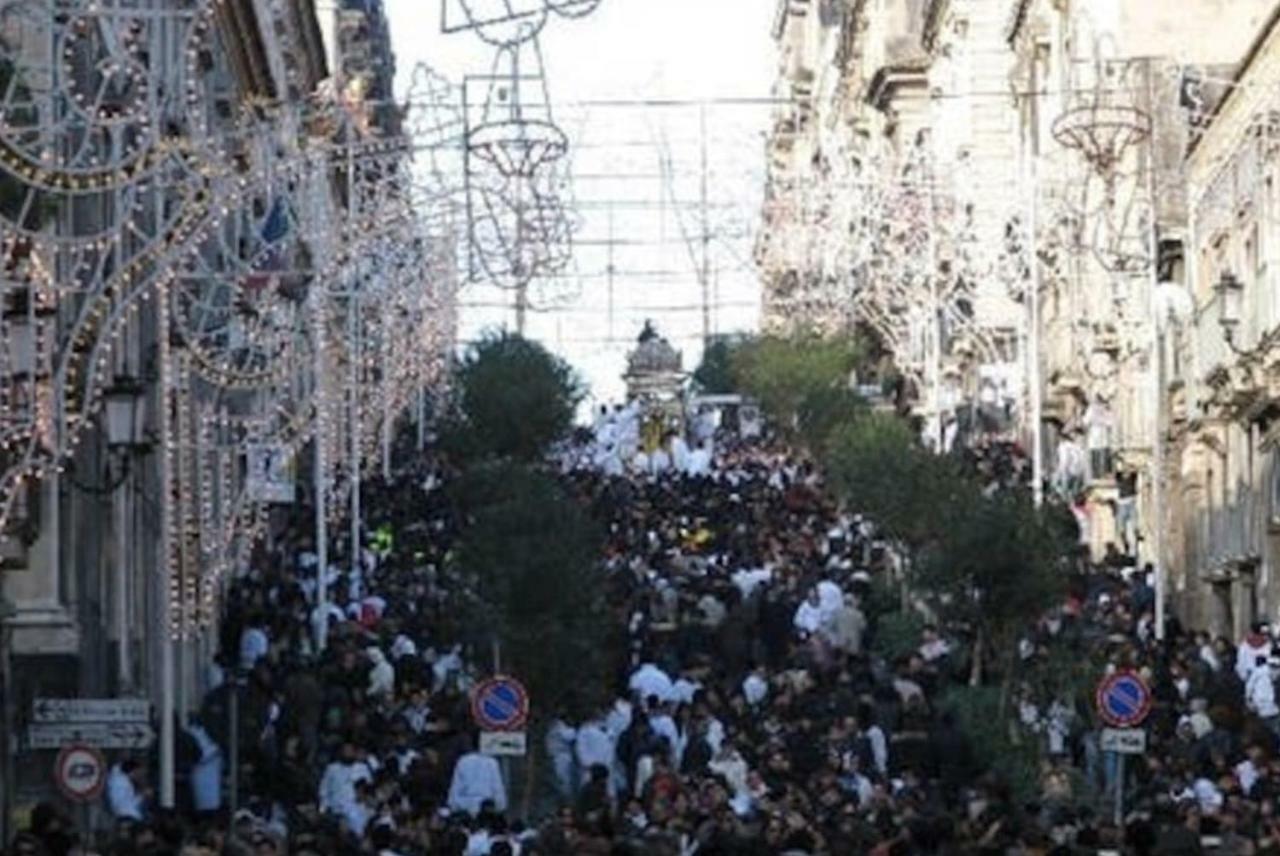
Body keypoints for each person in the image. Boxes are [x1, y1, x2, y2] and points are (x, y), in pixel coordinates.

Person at [447, 744, 507, 816]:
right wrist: (500, 805)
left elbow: (455, 788)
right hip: (485, 809)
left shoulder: (463, 761)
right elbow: (497, 787)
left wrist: (453, 806)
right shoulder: (491, 762)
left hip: (465, 808)